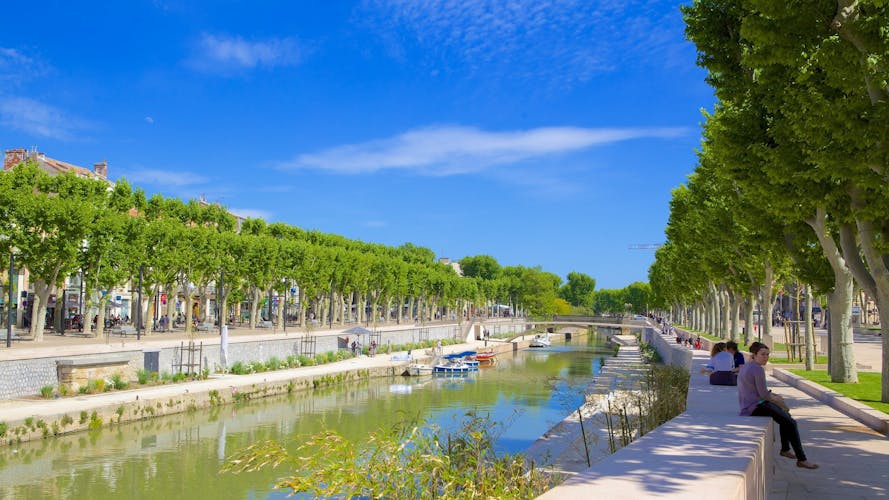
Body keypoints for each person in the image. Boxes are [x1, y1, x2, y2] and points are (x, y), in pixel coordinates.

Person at [738, 342, 818, 469]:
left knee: (786, 417)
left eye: (767, 354)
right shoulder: (757, 369)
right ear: (754, 355)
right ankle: (801, 459)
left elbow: (760, 392)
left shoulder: (749, 366)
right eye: (762, 354)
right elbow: (764, 394)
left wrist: (776, 399)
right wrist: (778, 400)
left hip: (752, 404)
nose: (766, 357)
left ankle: (785, 449)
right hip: (755, 407)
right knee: (791, 422)